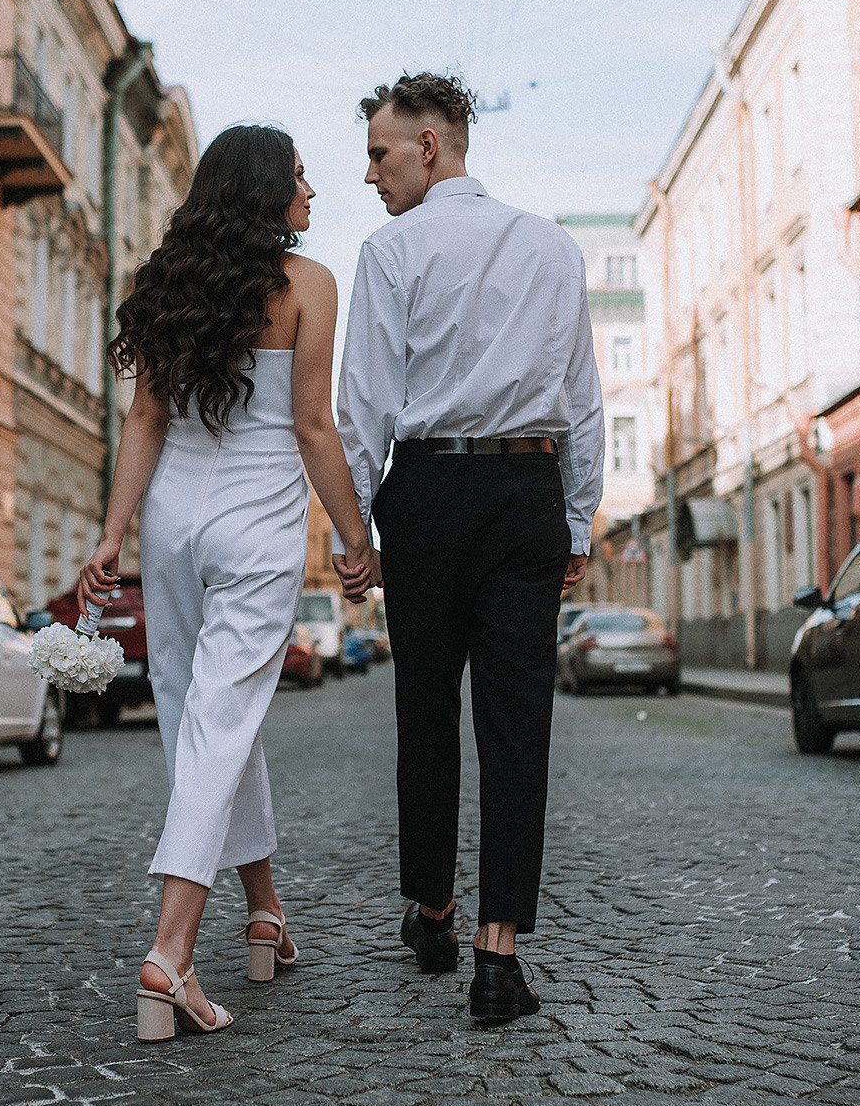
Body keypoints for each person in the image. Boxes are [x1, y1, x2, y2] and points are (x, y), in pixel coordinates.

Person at [75, 124, 374, 1043]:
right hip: (256, 527)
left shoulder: (169, 283)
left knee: (203, 719)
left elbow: (146, 415)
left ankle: (264, 910)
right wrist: (359, 540)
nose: (312, 190)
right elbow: (314, 428)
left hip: (171, 522)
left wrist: (113, 532)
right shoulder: (310, 285)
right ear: (263, 194)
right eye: (297, 176)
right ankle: (170, 954)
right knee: (221, 721)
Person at [335, 71, 603, 1022]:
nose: (369, 174)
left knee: (426, 710)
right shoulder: (553, 247)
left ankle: (436, 909)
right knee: (518, 721)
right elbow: (581, 394)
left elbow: (363, 402)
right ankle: (500, 955)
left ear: (430, 146)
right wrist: (577, 515)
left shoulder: (390, 250)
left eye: (380, 152)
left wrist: (351, 527)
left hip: (431, 491)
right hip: (527, 487)